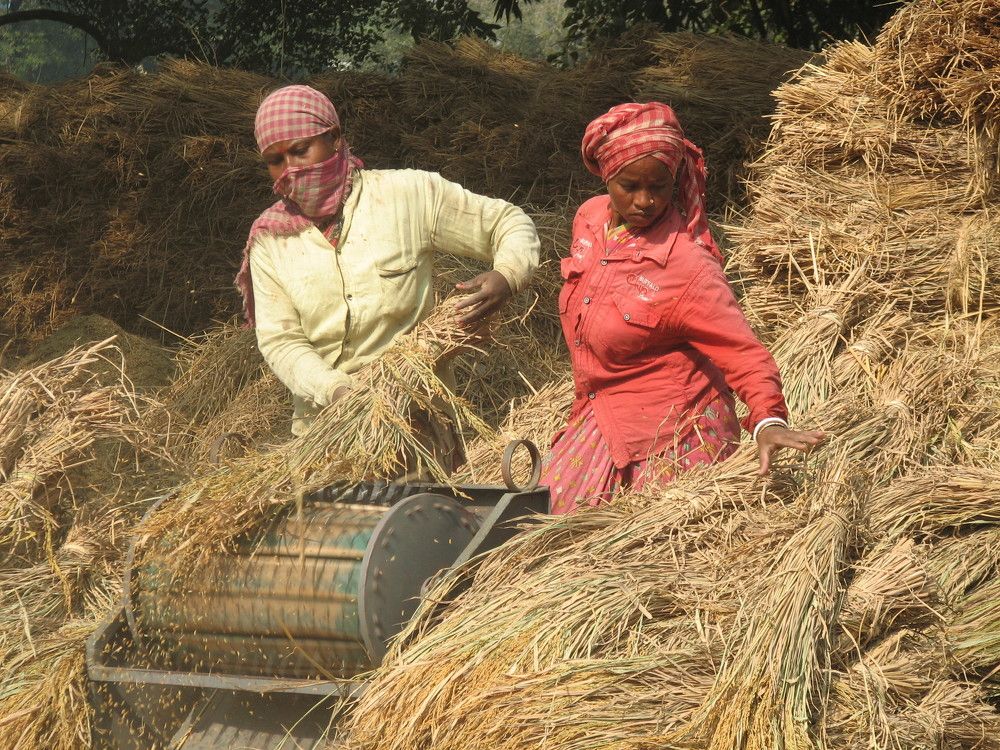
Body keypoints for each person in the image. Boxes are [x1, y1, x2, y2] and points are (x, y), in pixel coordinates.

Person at [542, 102, 824, 514]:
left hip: (673, 432)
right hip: (602, 408)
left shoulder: (687, 264)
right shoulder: (588, 221)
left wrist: (768, 419)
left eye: (658, 187)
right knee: (543, 529)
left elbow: (742, 351)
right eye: (629, 186)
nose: (644, 201)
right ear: (606, 178)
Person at [236, 85, 540, 444]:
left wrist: (507, 275)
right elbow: (281, 341)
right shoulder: (271, 240)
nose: (290, 170)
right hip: (325, 432)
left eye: (301, 151)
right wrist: (336, 391)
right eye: (275, 161)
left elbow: (507, 221)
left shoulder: (409, 196)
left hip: (420, 423)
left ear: (334, 138)